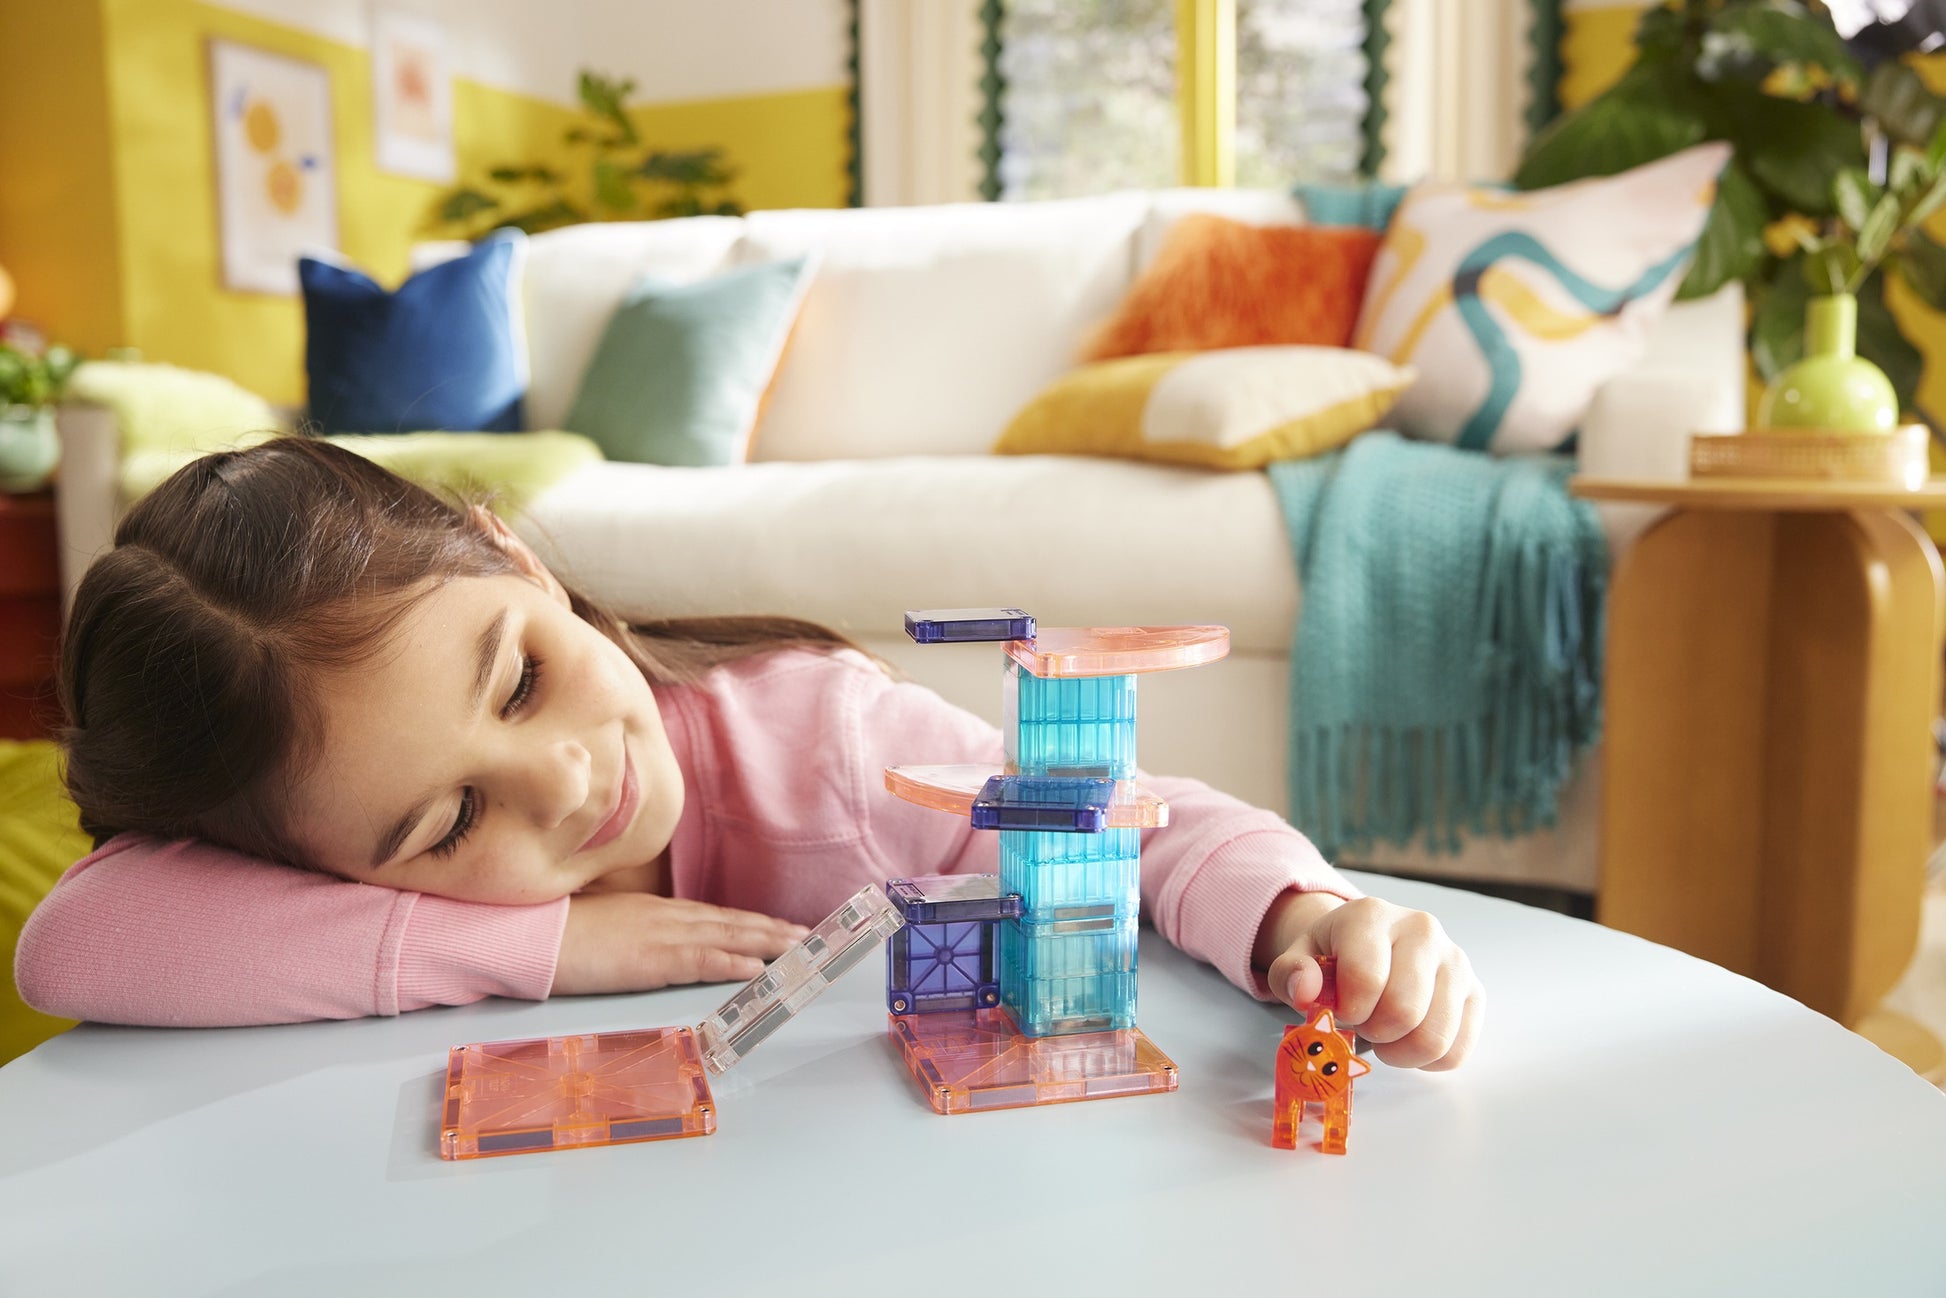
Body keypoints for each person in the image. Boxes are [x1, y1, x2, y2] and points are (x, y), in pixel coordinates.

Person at [17, 438, 1483, 1071]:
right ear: (320, 865)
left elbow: (1132, 827)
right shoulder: (312, 828)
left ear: (507, 552)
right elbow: (77, 944)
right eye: (454, 816)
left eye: (523, 678)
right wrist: (553, 949)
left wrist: (1307, 912)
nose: (569, 785)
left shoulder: (827, 746)